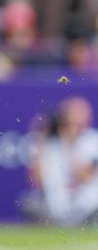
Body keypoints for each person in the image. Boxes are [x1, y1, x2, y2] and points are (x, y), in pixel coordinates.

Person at [28, 96, 98, 226]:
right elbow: (36, 181)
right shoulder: (50, 144)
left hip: (87, 204)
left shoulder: (93, 140)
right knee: (29, 202)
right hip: (56, 204)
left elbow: (84, 177)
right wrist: (41, 138)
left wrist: (69, 143)